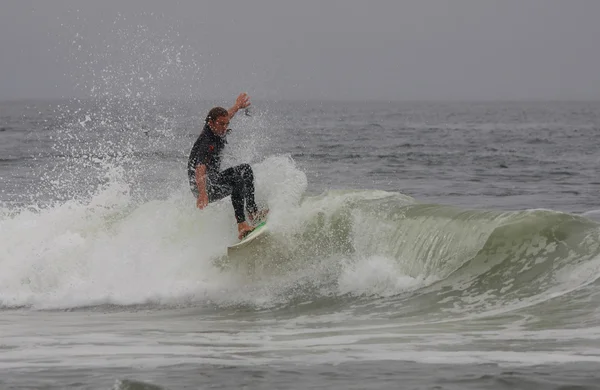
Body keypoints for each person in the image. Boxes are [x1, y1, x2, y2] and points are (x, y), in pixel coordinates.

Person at [187, 93, 266, 239]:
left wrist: (237, 106)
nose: (225, 127)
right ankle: (241, 225)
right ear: (211, 123)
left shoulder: (215, 126)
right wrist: (203, 193)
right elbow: (200, 168)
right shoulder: (207, 141)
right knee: (236, 180)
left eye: (226, 124)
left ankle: (253, 212)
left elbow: (227, 115)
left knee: (245, 169)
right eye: (221, 124)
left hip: (213, 179)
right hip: (202, 187)